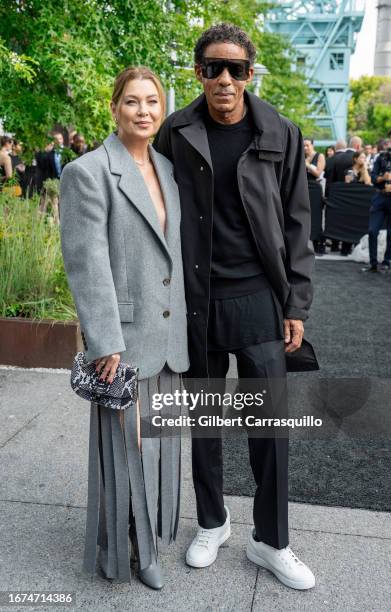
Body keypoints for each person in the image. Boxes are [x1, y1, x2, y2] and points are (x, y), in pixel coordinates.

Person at [154, 23, 315, 590]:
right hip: (196, 300)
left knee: (269, 427)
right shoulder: (175, 130)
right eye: (213, 68)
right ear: (198, 72)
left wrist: (296, 302)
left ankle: (271, 540)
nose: (225, 79)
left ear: (251, 72)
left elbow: (299, 222)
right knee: (204, 420)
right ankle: (212, 521)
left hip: (260, 300)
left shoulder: (280, 132)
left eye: (236, 69)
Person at [60, 66, 189, 589]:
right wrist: (104, 342)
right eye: (133, 101)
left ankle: (150, 538)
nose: (144, 111)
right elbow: (86, 262)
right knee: (127, 451)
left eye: (153, 102)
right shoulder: (88, 171)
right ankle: (128, 551)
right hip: (125, 340)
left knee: (158, 449)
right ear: (114, 106)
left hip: (170, 338)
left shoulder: (168, 169)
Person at [366, 138, 391, 272]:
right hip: (380, 196)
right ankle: (373, 262)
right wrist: (383, 178)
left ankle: (387, 261)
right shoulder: (381, 157)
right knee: (372, 230)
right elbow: (373, 178)